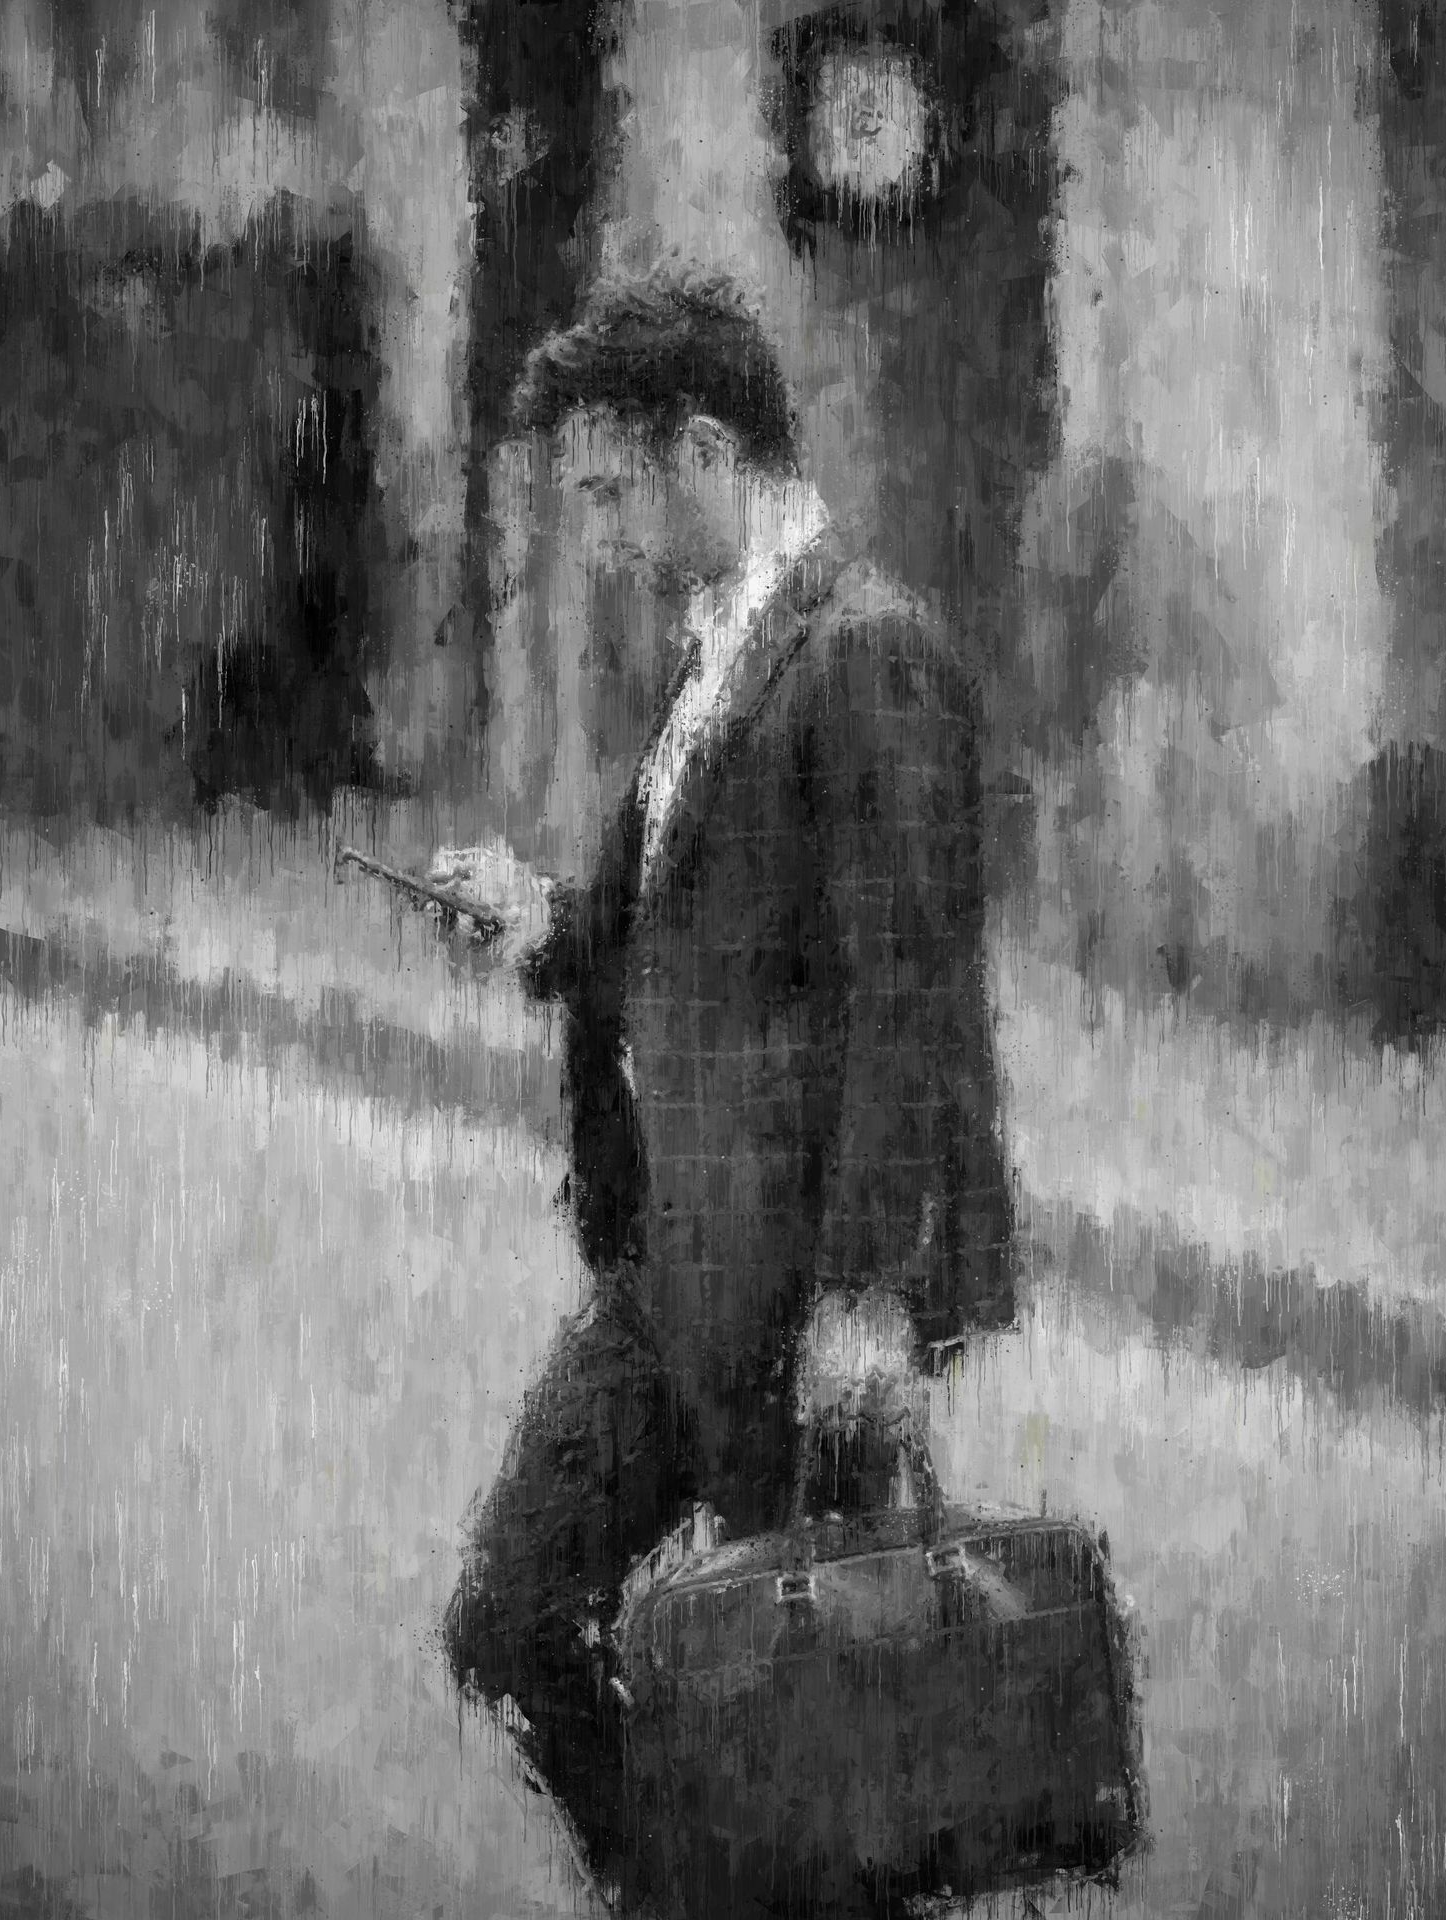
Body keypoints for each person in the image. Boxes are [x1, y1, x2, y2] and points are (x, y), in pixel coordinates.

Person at [437, 261, 1017, 1896]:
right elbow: (678, 931)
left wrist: (871, 1298)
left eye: (614, 492)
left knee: (824, 1730)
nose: (600, 539)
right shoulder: (718, 650)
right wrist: (545, 924)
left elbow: (909, 996)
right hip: (676, 1266)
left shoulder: (862, 652)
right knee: (516, 1614)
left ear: (708, 450)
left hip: (795, 1302)